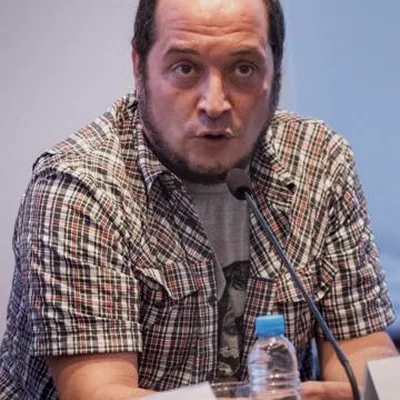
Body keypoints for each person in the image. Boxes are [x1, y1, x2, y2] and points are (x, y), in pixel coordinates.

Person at [0, 0, 397, 398]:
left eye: (243, 69)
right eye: (185, 68)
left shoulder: (318, 159)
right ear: (139, 68)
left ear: (275, 70)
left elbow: (363, 350)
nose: (215, 104)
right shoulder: (79, 188)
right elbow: (101, 393)